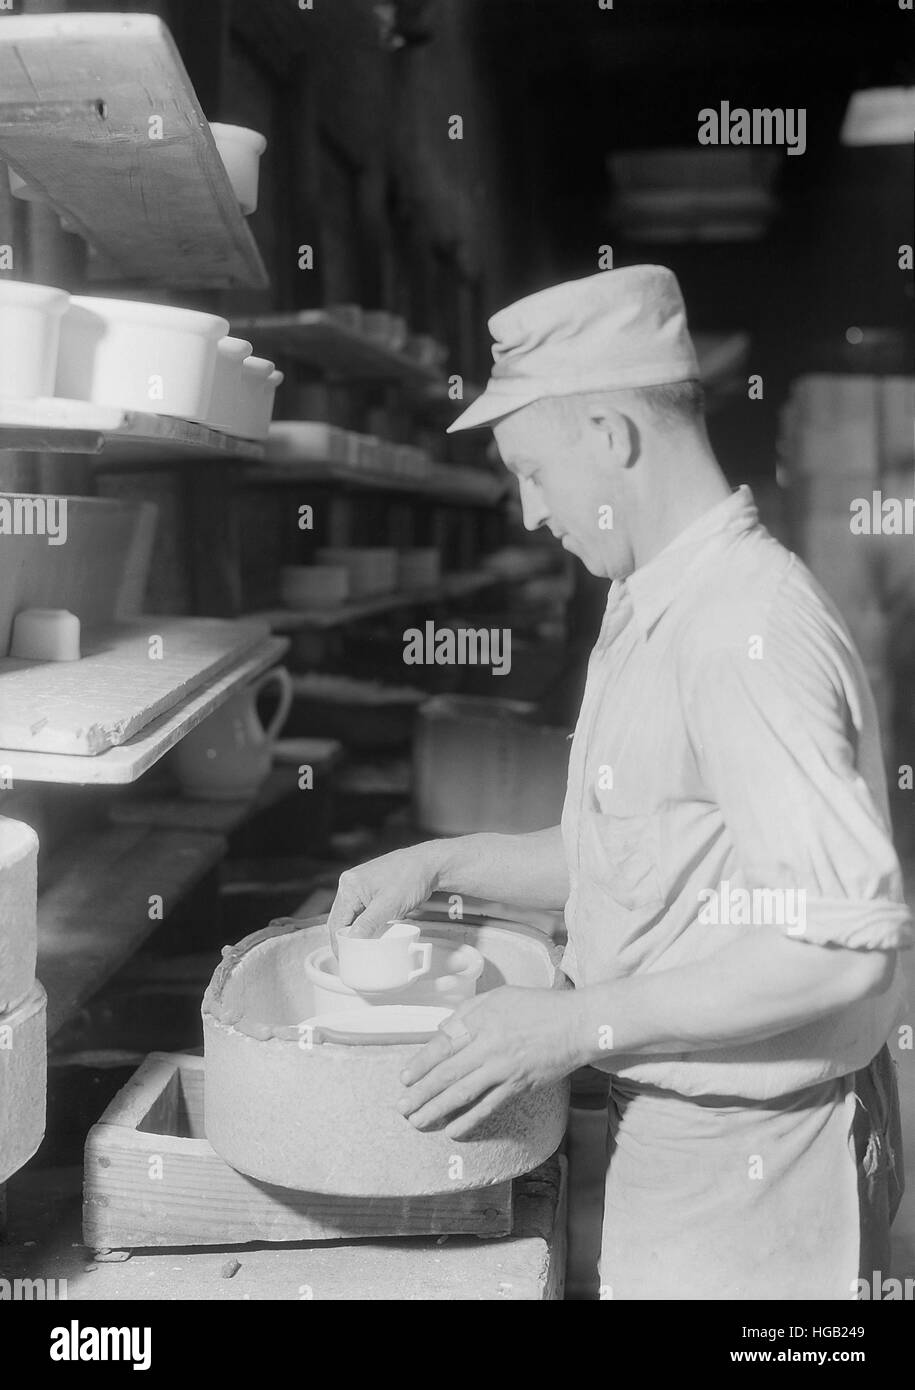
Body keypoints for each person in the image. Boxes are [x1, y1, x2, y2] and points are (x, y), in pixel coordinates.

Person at [327, 265, 911, 1299]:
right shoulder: (652, 599)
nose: (529, 510)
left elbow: (836, 948)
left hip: (763, 1165)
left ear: (610, 432)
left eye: (534, 470)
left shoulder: (740, 630)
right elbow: (643, 851)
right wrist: (439, 863)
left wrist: (565, 1023)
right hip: (694, 1141)